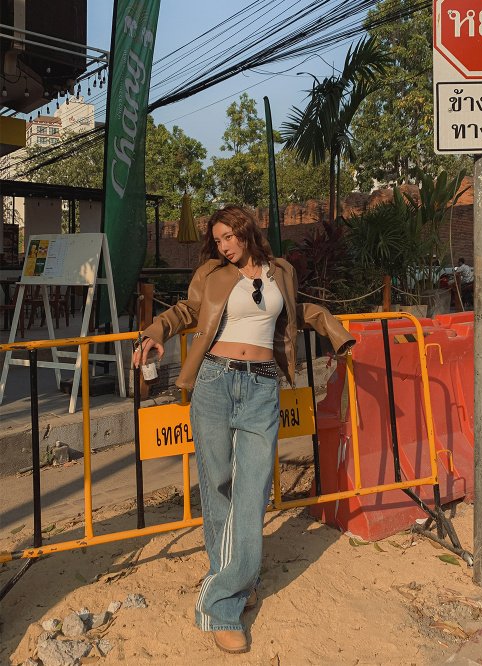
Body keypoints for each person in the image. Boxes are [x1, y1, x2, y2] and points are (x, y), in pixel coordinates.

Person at [133, 205, 355, 654]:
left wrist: (334, 329)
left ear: (247, 231)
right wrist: (156, 330)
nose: (224, 246)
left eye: (229, 236)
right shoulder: (211, 274)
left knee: (252, 492)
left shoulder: (281, 272)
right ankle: (235, 583)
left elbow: (294, 312)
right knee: (217, 485)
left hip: (262, 388)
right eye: (217, 240)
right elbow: (187, 311)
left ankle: (221, 598)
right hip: (215, 381)